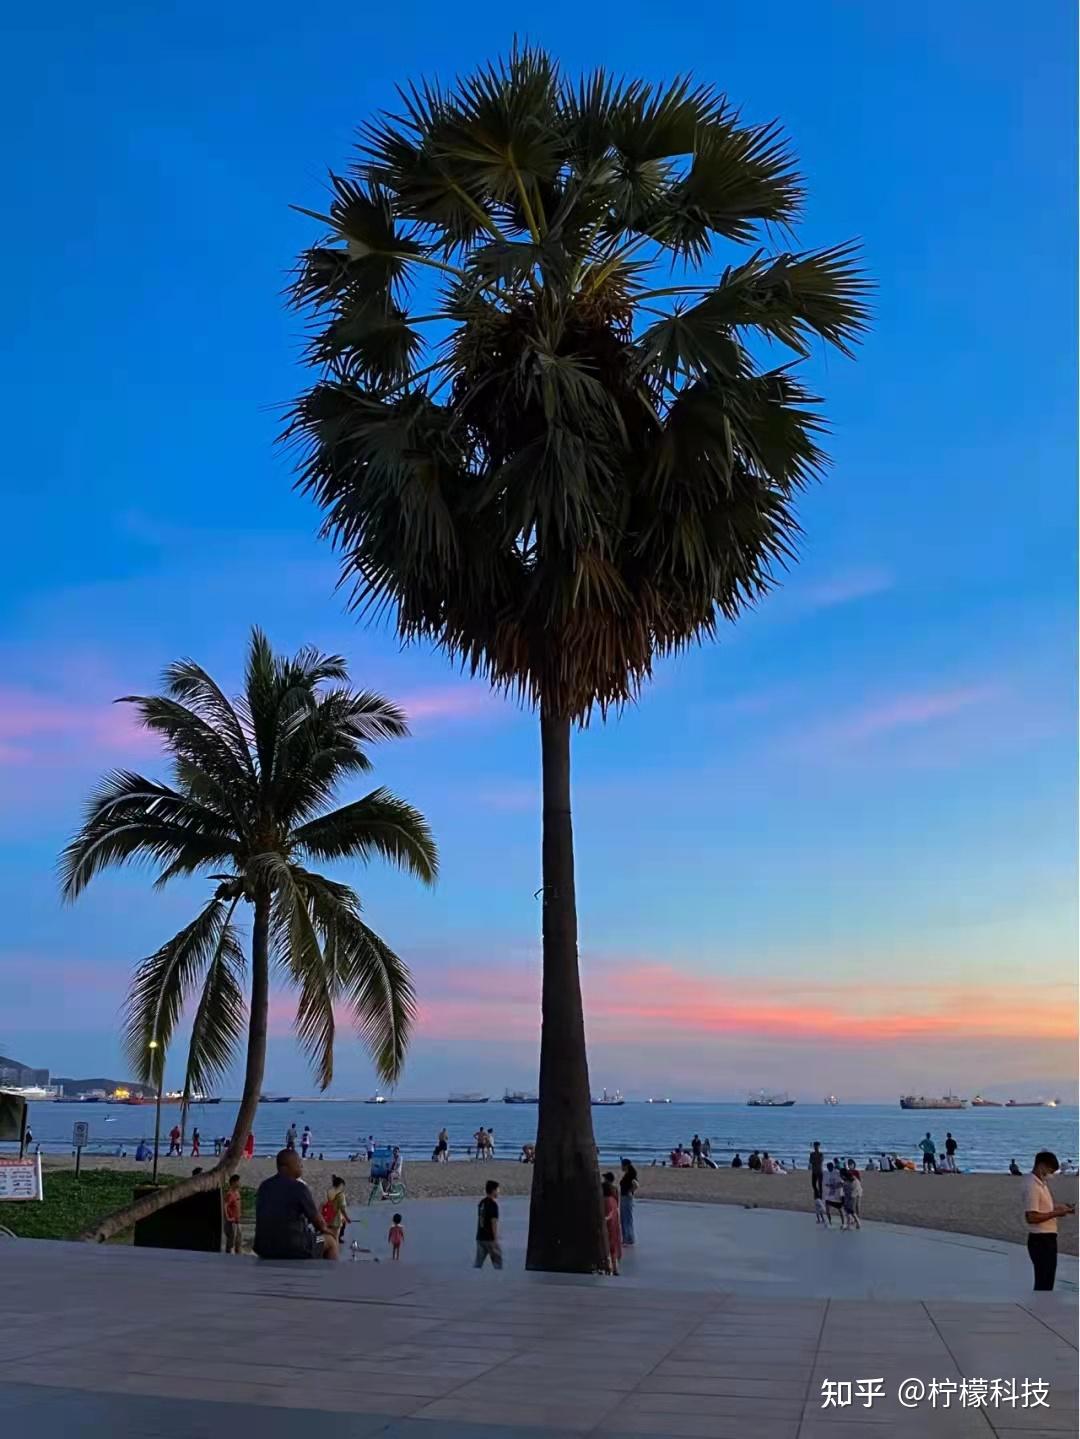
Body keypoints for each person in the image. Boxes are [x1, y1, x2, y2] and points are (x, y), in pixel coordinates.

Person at [253, 1149, 338, 1261]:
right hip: (294, 1246)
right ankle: (331, 1276)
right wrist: (332, 1233)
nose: (301, 1166)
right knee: (330, 1241)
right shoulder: (299, 1188)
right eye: (298, 1163)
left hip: (264, 1247)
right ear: (285, 1167)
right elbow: (319, 1224)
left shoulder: (264, 1186)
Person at [1023, 1150, 1074, 1291]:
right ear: (1041, 1166)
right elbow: (1031, 1217)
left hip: (1048, 1237)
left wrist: (1063, 1208)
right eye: (1050, 1170)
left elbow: (1044, 1207)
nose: (1051, 1174)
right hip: (1040, 1239)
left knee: (1048, 1279)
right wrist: (1055, 1213)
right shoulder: (1032, 1186)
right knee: (1043, 1281)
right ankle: (1040, 1308)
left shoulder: (1041, 1184)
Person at [475, 1179, 502, 1269]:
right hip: (489, 1239)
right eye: (498, 1189)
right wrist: (495, 1239)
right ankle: (499, 1281)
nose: (499, 1191)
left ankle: (473, 1280)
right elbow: (493, 1222)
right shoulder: (493, 1205)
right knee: (498, 1263)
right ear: (493, 1190)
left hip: (480, 1237)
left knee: (478, 1264)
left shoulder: (481, 1203)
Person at [602, 1173, 622, 1275]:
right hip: (615, 1221)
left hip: (609, 1224)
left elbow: (608, 1213)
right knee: (614, 1245)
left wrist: (604, 1219)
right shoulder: (614, 1195)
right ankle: (615, 1268)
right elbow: (615, 1207)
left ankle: (610, 1268)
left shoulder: (606, 1200)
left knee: (608, 1246)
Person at [321, 1175, 350, 1242]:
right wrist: (346, 1218)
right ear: (340, 1185)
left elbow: (324, 1203)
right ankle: (335, 1249)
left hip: (328, 1217)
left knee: (328, 1236)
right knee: (335, 1238)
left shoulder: (329, 1191)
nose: (343, 1188)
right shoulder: (341, 1195)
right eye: (342, 1186)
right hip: (336, 1219)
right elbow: (342, 1208)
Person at [619, 1159, 638, 1246]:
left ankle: (627, 1239)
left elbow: (636, 1184)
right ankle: (628, 1238)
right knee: (626, 1218)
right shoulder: (629, 1174)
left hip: (626, 1197)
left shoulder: (630, 1175)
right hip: (625, 1197)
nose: (621, 1167)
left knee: (626, 1218)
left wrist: (630, 1191)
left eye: (622, 1165)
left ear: (625, 1165)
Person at [223, 1174, 243, 1254]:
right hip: (232, 1223)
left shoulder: (237, 1193)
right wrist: (227, 1217)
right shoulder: (230, 1194)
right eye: (238, 1182)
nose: (239, 1183)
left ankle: (238, 1260)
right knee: (231, 1245)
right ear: (234, 1183)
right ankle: (228, 1261)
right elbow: (224, 1205)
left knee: (239, 1243)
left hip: (238, 1222)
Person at [824, 1162, 845, 1227]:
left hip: (838, 1194)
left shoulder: (837, 1173)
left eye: (829, 1168)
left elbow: (842, 1183)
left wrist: (834, 1186)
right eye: (827, 1168)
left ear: (832, 1167)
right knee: (827, 1206)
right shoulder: (828, 1173)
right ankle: (830, 1222)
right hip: (830, 1194)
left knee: (840, 1209)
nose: (828, 1169)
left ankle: (843, 1223)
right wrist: (828, 1185)